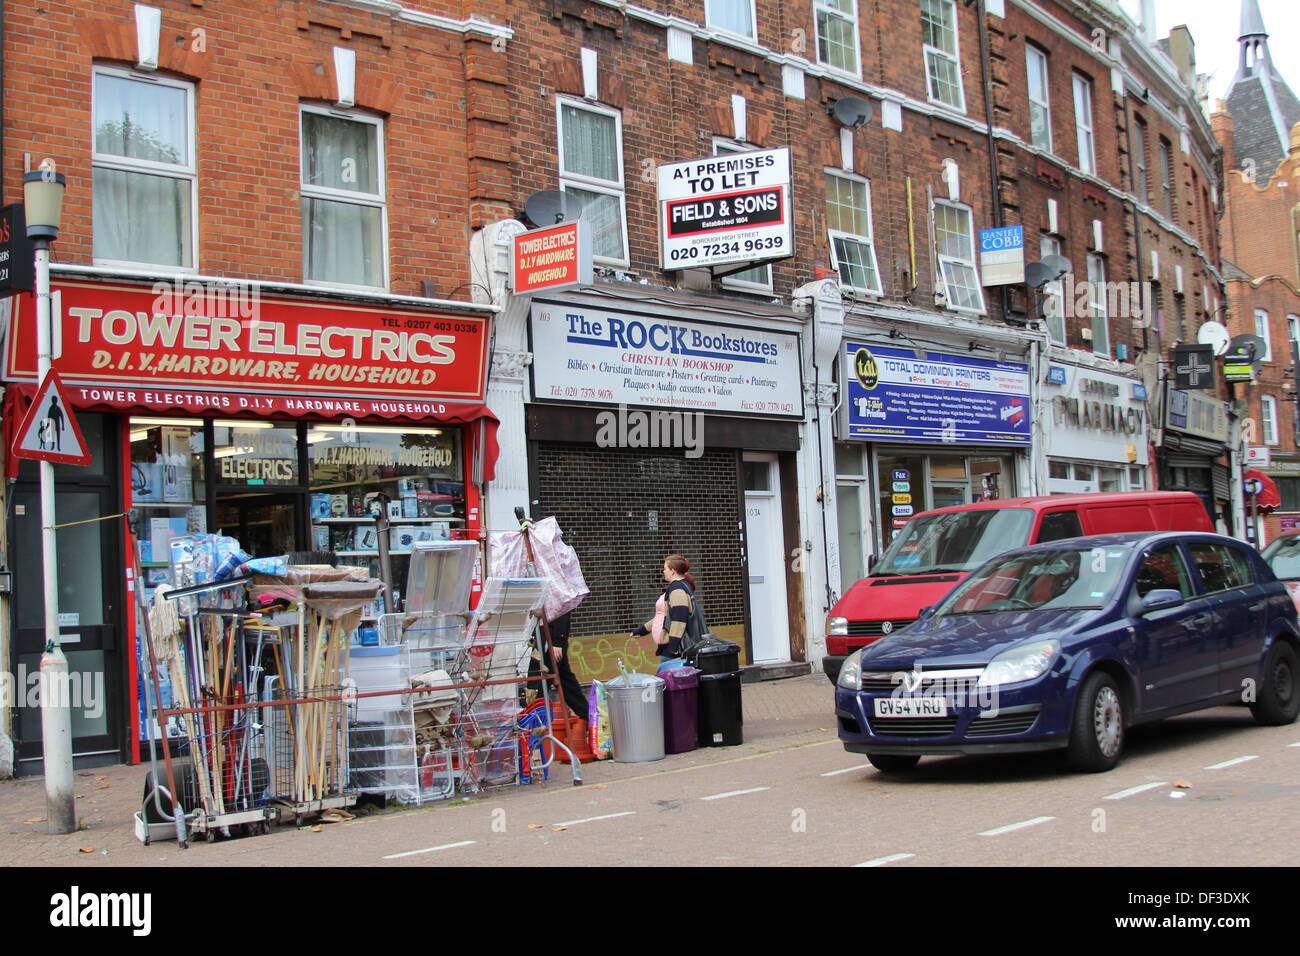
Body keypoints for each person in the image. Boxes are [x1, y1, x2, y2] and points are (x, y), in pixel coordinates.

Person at [630, 554, 695, 666]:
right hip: (670, 648)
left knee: (668, 680)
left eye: (665, 568)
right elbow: (663, 616)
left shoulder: (677, 590)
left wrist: (673, 645)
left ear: (673, 571)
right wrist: (642, 630)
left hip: (673, 650)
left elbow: (679, 619)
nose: (663, 571)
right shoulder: (675, 588)